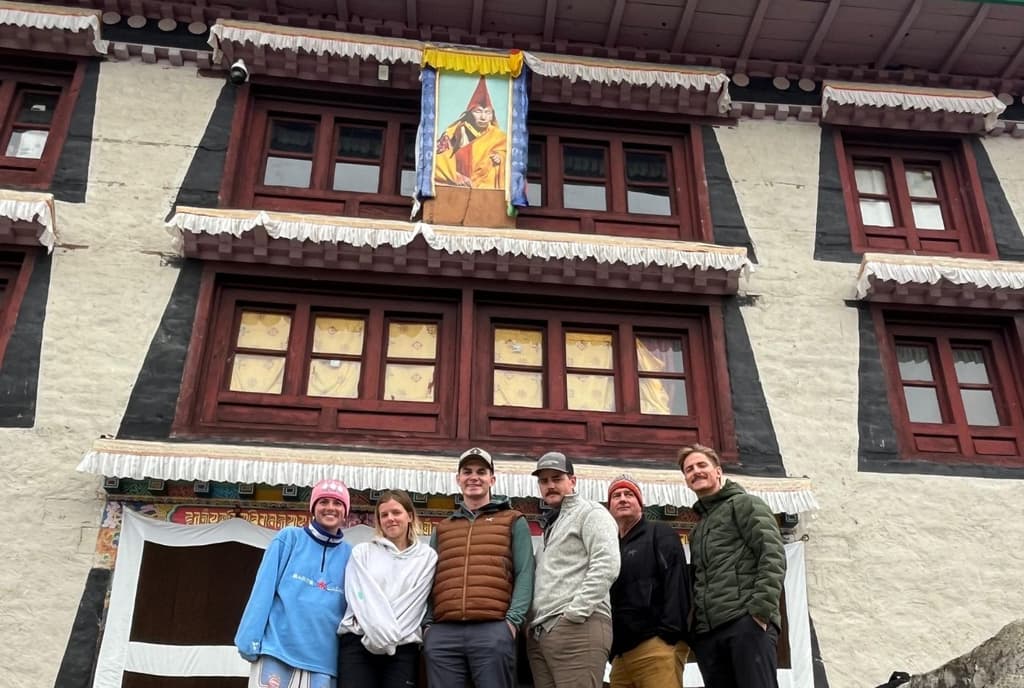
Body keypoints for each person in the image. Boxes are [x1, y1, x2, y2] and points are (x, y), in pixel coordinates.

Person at [422, 447, 535, 688]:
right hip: (444, 633)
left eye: (481, 472)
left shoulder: (513, 520)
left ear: (492, 479)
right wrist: (429, 625)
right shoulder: (443, 528)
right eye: (467, 471)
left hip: (493, 629)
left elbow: (525, 573)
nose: (474, 477)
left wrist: (511, 623)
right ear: (458, 479)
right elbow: (429, 579)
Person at [679, 444, 787, 688]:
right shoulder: (697, 531)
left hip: (746, 625)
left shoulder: (745, 504)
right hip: (709, 635)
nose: (695, 471)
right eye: (689, 469)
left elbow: (773, 555)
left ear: (718, 471)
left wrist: (759, 612)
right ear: (686, 480)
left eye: (701, 465)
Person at [235, 479, 353, 688]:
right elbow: (263, 590)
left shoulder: (350, 555)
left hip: (323, 662)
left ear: (345, 512)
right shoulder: (289, 539)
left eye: (337, 503)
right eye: (323, 501)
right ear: (313, 508)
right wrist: (248, 641)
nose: (330, 508)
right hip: (278, 651)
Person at [527, 451, 620, 688]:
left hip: (578, 628)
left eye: (557, 478)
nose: (550, 485)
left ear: (573, 481)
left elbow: (607, 564)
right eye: (544, 480)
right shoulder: (552, 525)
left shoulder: (591, 513)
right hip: (542, 633)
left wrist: (575, 613)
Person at [337, 490, 438, 688]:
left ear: (409, 516)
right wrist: (378, 635)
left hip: (402, 648)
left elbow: (412, 606)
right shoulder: (362, 553)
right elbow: (361, 599)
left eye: (396, 512)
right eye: (384, 515)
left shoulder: (427, 558)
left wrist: (388, 638)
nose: (390, 519)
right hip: (358, 642)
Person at [606, 474, 691, 688]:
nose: (623, 499)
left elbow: (677, 581)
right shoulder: (610, 547)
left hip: (656, 645)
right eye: (616, 496)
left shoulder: (659, 533)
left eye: (629, 494)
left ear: (640, 504)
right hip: (620, 655)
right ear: (610, 507)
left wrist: (668, 635)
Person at [434, 76, 507, 189]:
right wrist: (455, 176)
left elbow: (509, 157)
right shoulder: (453, 132)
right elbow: (439, 160)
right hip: (459, 187)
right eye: (478, 111)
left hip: (485, 192)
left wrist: (500, 158)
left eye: (487, 112)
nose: (483, 117)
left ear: (492, 115)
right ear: (470, 113)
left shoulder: (499, 137)